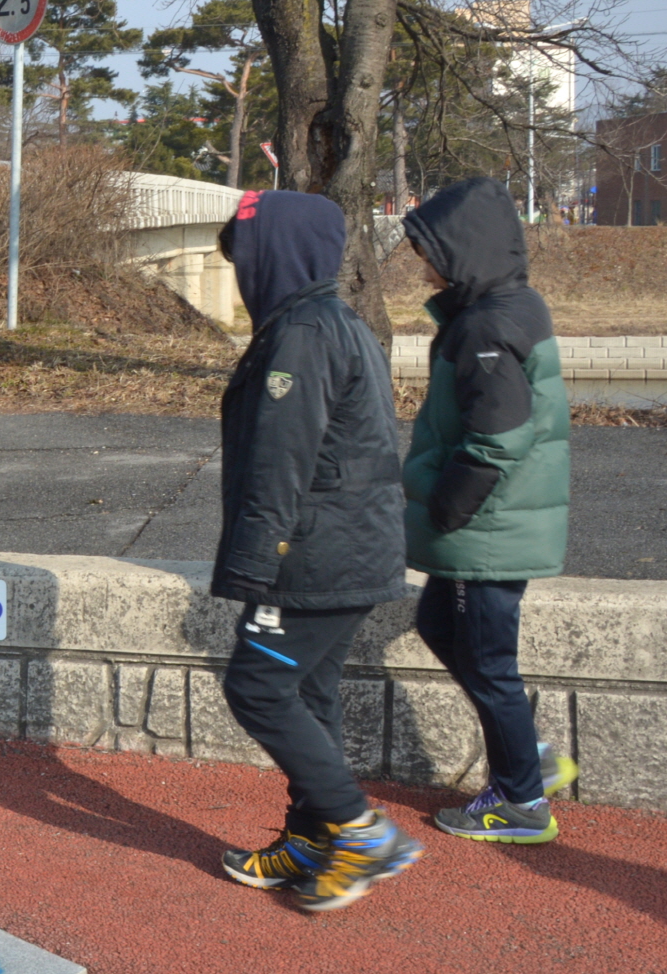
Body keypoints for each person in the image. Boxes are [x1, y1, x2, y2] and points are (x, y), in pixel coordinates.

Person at [212, 190, 422, 911]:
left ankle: (361, 832)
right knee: (308, 692)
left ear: (276, 256)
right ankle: (311, 837)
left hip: (314, 554)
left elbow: (280, 462)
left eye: (246, 258)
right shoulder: (333, 321)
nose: (241, 275)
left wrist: (252, 568)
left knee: (257, 687)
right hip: (349, 549)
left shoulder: (301, 334)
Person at [401, 177, 578, 843]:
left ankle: (521, 801)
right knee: (438, 625)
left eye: (428, 251)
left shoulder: (486, 326)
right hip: (492, 522)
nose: (423, 265)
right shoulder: (508, 306)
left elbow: (497, 439)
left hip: (486, 528)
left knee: (485, 660)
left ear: (461, 249)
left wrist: (446, 509)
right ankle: (527, 757)